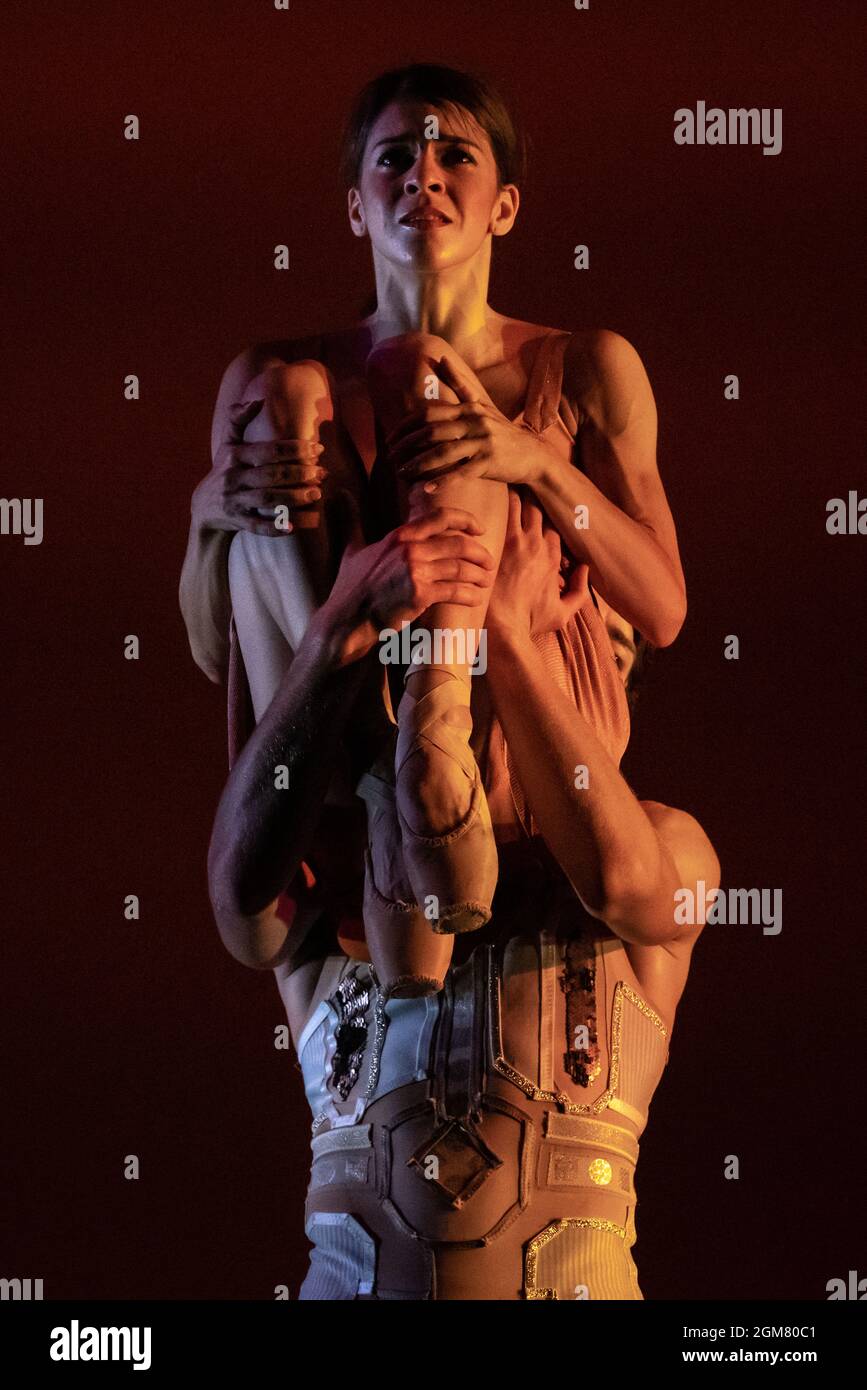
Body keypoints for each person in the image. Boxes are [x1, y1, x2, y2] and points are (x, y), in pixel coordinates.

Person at [180, 62, 687, 992]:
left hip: (516, 749)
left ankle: (433, 750)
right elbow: (219, 653)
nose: (424, 174)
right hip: (327, 742)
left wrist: (528, 458)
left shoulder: (581, 368)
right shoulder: (278, 379)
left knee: (431, 380)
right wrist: (205, 519)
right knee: (285, 394)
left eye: (455, 154)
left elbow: (660, 609)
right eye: (394, 157)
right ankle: (390, 774)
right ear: (354, 207)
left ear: (503, 206)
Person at [207, 488, 719, 1299]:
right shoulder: (345, 872)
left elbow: (622, 884)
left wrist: (514, 639)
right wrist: (335, 638)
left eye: (590, 652)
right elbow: (238, 898)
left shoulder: (669, 850)